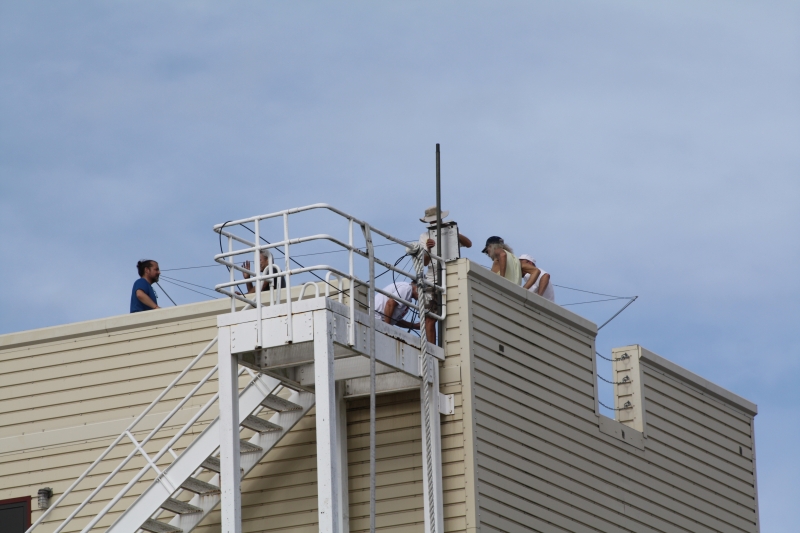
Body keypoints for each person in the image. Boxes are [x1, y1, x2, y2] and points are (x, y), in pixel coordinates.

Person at [418, 206, 472, 343]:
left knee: (454, 316)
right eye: (430, 221)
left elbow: (468, 244)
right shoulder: (424, 236)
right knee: (429, 318)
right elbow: (425, 262)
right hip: (432, 280)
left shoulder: (450, 230)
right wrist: (428, 249)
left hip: (451, 277)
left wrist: (453, 231)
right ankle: (431, 348)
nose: (432, 223)